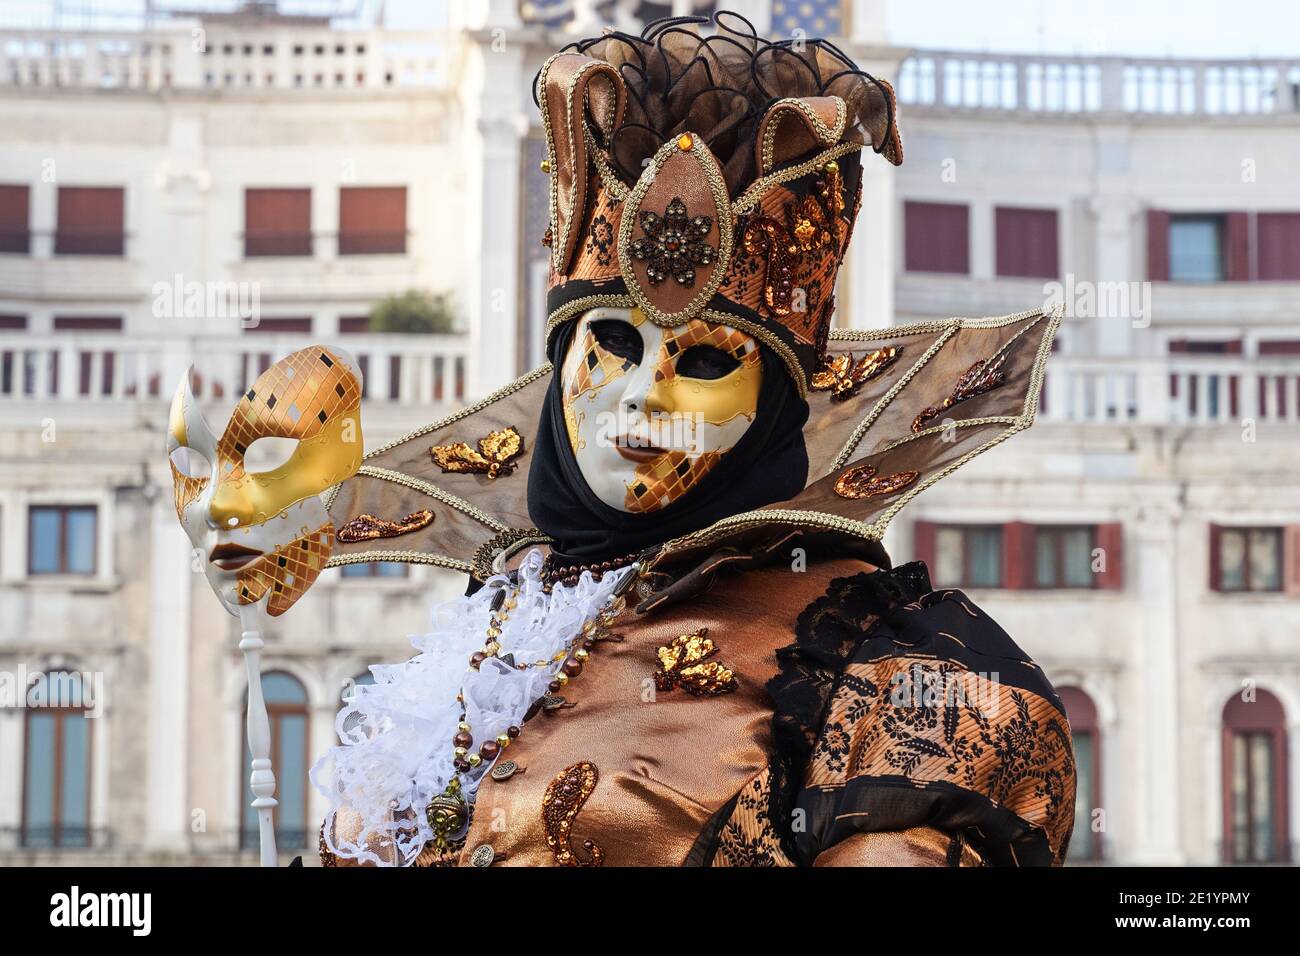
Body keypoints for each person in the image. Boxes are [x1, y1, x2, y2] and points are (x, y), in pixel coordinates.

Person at [311, 12, 1075, 867]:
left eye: (706, 359)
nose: (646, 394)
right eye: (613, 344)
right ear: (560, 362)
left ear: (774, 402)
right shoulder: (489, 630)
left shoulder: (889, 675)